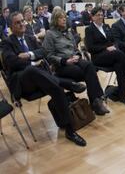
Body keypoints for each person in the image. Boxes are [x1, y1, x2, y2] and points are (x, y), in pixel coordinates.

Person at [2, 12, 87, 146]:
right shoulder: (7, 42)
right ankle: (67, 83)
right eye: (17, 22)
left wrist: (29, 54)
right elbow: (11, 61)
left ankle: (70, 130)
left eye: (22, 21)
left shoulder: (30, 38)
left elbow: (43, 52)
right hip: (22, 83)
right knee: (32, 69)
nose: (22, 24)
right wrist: (32, 61)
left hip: (41, 79)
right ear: (11, 27)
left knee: (56, 88)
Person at [42, 9, 109, 115]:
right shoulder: (50, 34)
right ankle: (97, 101)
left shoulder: (68, 32)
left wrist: (77, 55)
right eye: (60, 17)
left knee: (90, 65)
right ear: (55, 20)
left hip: (75, 60)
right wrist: (65, 60)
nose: (64, 19)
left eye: (64, 17)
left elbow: (76, 49)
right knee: (88, 72)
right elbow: (49, 55)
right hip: (62, 65)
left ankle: (96, 101)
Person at [85, 7, 125, 107]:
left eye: (102, 15)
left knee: (119, 65)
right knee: (119, 54)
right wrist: (106, 48)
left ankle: (122, 96)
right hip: (98, 57)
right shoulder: (89, 29)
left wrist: (113, 47)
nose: (100, 17)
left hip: (112, 56)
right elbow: (90, 48)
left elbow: (114, 41)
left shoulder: (106, 26)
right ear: (92, 17)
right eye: (98, 15)